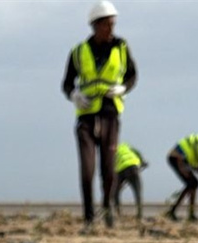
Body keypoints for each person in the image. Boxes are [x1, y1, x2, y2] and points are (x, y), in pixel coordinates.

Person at [62, 1, 138, 229]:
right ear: (95, 25)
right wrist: (74, 95)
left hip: (110, 114)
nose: (111, 29)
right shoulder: (78, 52)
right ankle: (88, 218)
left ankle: (107, 208)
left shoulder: (121, 47)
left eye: (113, 24)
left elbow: (133, 76)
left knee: (108, 168)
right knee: (87, 170)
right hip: (86, 117)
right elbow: (66, 83)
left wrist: (123, 88)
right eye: (107, 24)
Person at [113, 142, 147, 220]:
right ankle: (140, 214)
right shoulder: (126, 146)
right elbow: (138, 153)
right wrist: (143, 162)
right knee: (137, 192)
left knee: (115, 192)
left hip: (120, 171)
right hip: (133, 168)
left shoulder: (113, 151)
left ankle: (118, 213)